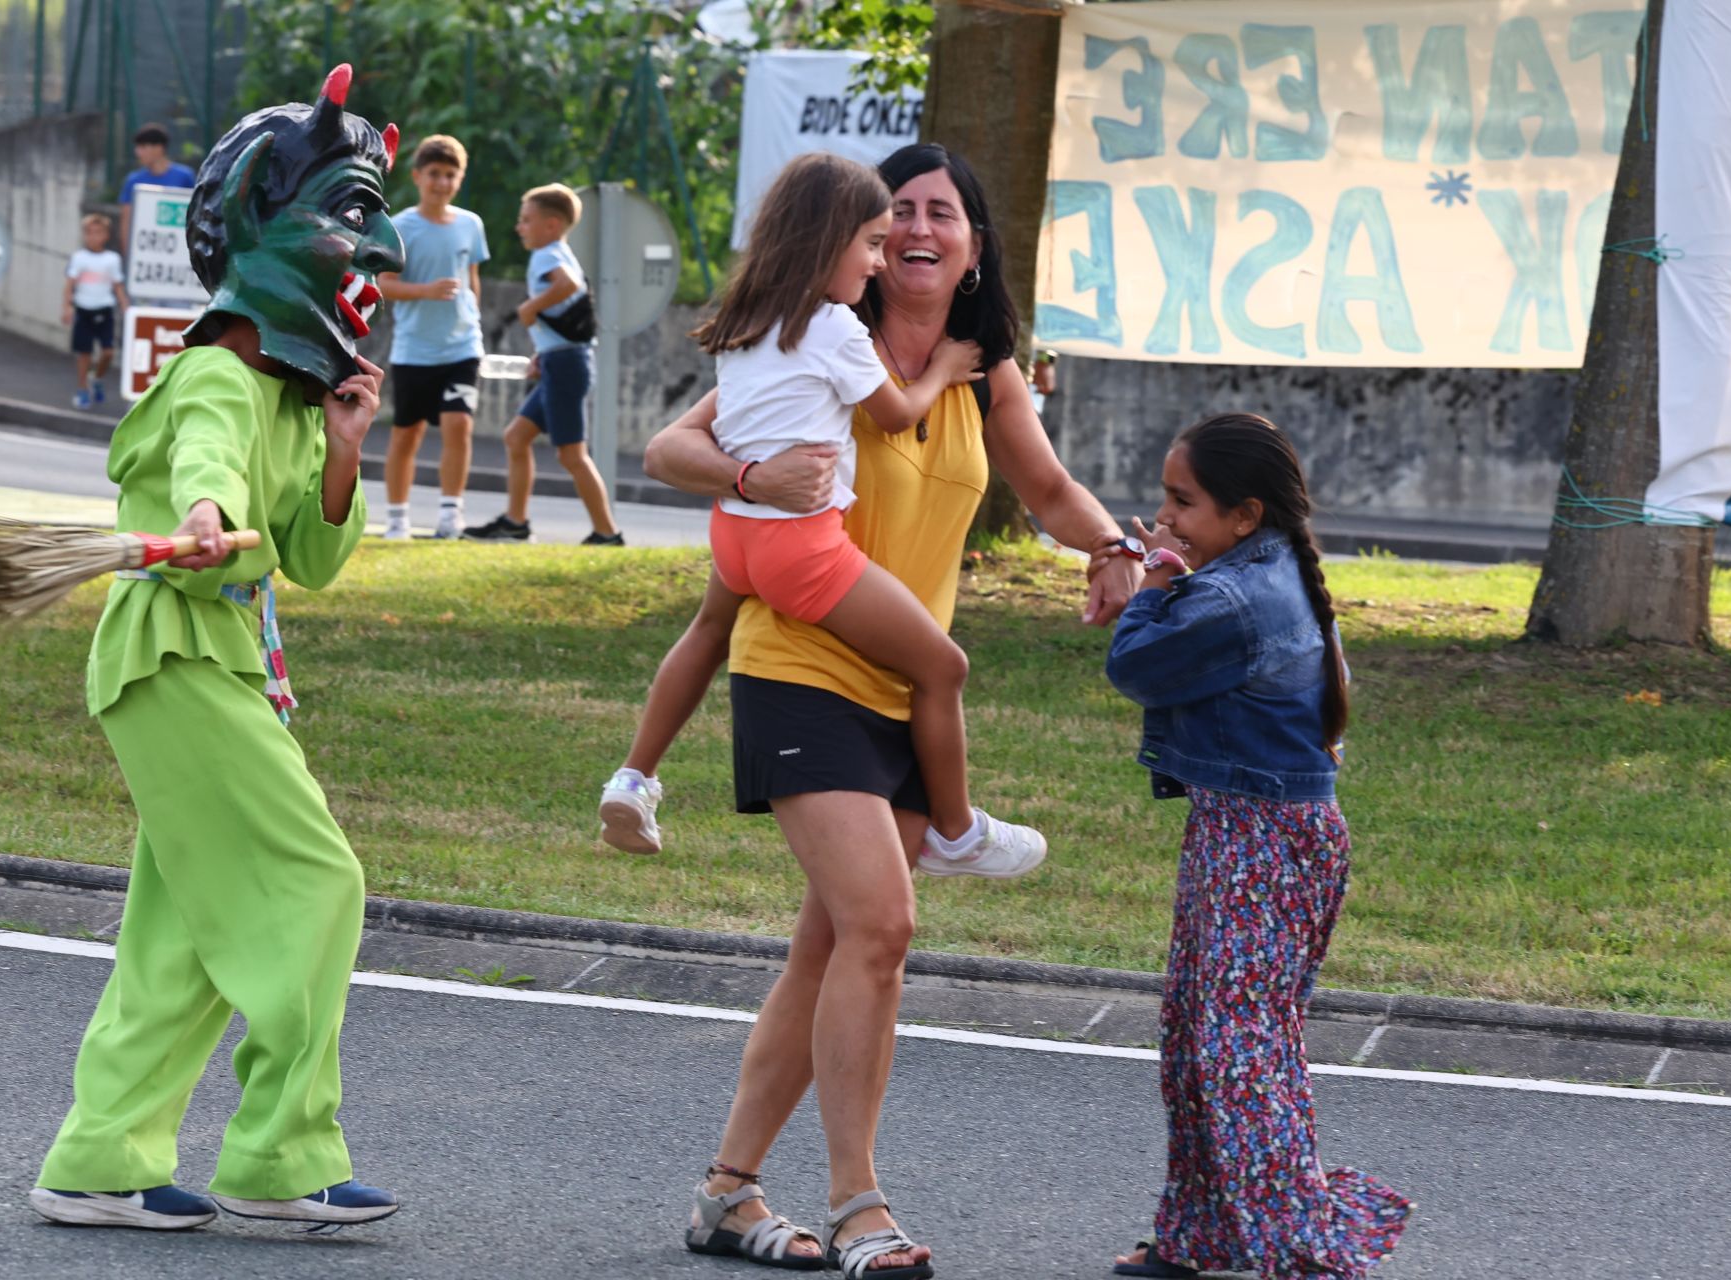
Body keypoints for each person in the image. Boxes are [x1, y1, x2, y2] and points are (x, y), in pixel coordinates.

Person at [638, 142, 1139, 1276]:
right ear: (866, 236)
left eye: (941, 214)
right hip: (800, 662)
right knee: (883, 925)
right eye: (897, 211)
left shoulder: (981, 374)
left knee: (830, 945)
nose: (917, 229)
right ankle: (860, 1202)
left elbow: (1051, 490)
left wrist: (1112, 545)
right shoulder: (825, 336)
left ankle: (727, 1192)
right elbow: (675, 442)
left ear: (973, 245)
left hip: (903, 693)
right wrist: (750, 479)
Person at [28, 65, 406, 1233]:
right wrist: (199, 513)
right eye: (351, 213)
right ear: (261, 229)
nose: (379, 247)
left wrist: (345, 443)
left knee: (188, 931)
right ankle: (281, 1153)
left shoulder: (294, 403)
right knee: (316, 878)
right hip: (172, 656)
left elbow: (310, 553)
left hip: (222, 661)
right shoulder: (210, 375)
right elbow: (201, 456)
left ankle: (99, 1156)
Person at [604, 151, 1044, 879]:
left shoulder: (753, 318)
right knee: (943, 666)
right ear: (826, 240)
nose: (879, 262)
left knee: (708, 629)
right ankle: (959, 830)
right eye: (873, 242)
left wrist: (747, 478)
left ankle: (634, 776)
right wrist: (941, 371)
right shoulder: (840, 329)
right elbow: (898, 413)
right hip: (798, 541)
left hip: (738, 529)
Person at [1101, 414, 1410, 1279]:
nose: (1164, 518)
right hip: (1247, 830)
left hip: (1264, 841)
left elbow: (1137, 666)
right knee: (1200, 1037)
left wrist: (1154, 575)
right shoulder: (1261, 573)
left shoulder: (1235, 599)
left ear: (1244, 514)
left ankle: (1301, 1246)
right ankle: (1204, 1234)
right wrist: (1172, 562)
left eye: (1181, 502)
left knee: (1239, 1049)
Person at [463, 182, 623, 545]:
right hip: (561, 360)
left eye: (526, 220)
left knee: (572, 455)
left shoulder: (547, 255)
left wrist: (529, 308)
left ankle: (607, 533)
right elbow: (570, 300)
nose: (520, 227)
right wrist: (545, 349)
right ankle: (515, 522)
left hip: (566, 366)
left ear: (551, 225)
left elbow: (566, 286)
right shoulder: (561, 251)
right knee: (516, 437)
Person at [377, 134, 490, 540]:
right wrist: (425, 291)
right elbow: (384, 283)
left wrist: (472, 319)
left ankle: (450, 515)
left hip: (462, 347)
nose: (442, 183)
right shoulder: (400, 226)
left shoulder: (470, 224)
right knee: (407, 433)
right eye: (434, 174)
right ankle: (396, 519)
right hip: (414, 350)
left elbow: (472, 279)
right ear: (417, 176)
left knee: (459, 423)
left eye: (450, 175)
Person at [61, 212, 128, 409]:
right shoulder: (79, 258)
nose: (93, 237)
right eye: (89, 233)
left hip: (104, 310)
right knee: (84, 353)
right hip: (83, 310)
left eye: (98, 232)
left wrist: (125, 307)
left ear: (106, 235)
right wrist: (67, 307)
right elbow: (69, 284)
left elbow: (117, 286)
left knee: (108, 352)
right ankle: (82, 389)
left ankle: (96, 378)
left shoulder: (112, 259)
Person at [118, 123, 197, 251]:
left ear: (159, 148)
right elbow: (126, 219)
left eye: (143, 147)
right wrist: (128, 253)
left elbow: (195, 214)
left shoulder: (185, 176)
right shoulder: (133, 180)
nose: (137, 152)